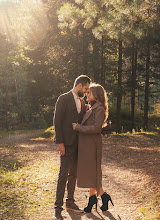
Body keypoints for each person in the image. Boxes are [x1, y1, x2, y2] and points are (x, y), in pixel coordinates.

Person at [53, 75, 91, 219]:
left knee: (73, 174)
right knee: (63, 174)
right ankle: (58, 207)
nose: (87, 91)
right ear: (80, 85)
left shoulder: (82, 101)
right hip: (66, 144)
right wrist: (60, 143)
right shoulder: (63, 98)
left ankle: (70, 202)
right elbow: (57, 122)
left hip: (77, 144)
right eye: (86, 88)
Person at [72, 83, 114, 213]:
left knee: (93, 172)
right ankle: (99, 197)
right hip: (86, 144)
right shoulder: (90, 107)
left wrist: (78, 127)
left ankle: (96, 199)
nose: (86, 94)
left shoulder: (99, 108)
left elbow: (97, 128)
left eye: (88, 92)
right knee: (91, 172)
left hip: (92, 144)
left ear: (95, 94)